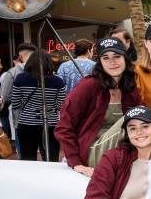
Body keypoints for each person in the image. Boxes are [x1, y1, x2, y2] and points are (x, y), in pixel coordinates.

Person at [55, 37, 142, 176]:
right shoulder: (88, 86)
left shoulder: (129, 89)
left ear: (125, 58)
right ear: (100, 62)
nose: (112, 62)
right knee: (133, 122)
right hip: (93, 150)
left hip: (123, 151)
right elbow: (64, 127)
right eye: (105, 58)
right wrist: (75, 162)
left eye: (117, 56)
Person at [11, 51, 66, 161]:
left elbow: (15, 103)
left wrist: (28, 105)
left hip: (26, 124)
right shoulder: (58, 81)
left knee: (28, 160)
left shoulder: (20, 79)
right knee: (51, 160)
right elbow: (61, 105)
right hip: (50, 125)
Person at [0, 43, 37, 138]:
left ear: (20, 56)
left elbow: (4, 97)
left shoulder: (12, 72)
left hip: (20, 118)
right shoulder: (45, 70)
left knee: (24, 150)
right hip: (42, 118)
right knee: (44, 149)